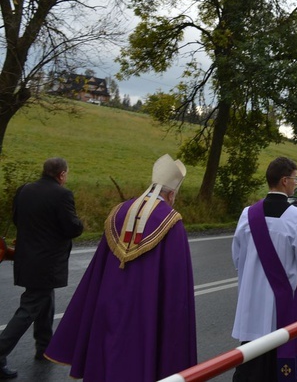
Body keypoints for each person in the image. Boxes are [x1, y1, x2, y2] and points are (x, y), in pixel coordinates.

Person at [44, 154, 195, 381]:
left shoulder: (119, 211)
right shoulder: (172, 222)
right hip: (146, 314)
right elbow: (176, 289)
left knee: (105, 359)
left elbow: (98, 270)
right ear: (172, 193)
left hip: (108, 305)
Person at [231, 157, 297, 382]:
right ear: (284, 181)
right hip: (282, 311)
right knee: (278, 370)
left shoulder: (247, 214)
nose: (295, 182)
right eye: (295, 178)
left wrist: (252, 279)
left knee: (250, 367)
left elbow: (237, 257)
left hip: (251, 307)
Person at [0, 158, 83, 380]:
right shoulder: (62, 195)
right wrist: (80, 223)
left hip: (27, 258)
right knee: (30, 307)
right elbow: (72, 228)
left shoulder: (24, 190)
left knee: (45, 300)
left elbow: (18, 219)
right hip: (47, 261)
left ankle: (44, 347)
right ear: (62, 174)